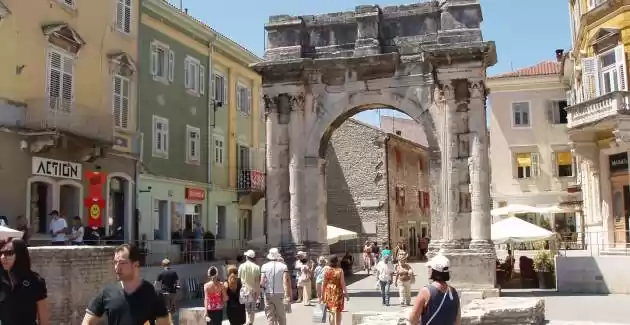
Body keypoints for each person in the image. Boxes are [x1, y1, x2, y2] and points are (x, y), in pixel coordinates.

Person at [82, 243, 171, 325]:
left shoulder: (152, 294)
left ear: (136, 265)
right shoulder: (106, 293)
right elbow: (87, 322)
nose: (117, 267)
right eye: (115, 262)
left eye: (122, 263)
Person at [0, 238, 50, 325]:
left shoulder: (36, 281)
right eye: (1, 253)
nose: (3, 257)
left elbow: (43, 320)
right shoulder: (1, 280)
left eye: (9, 253)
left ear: (20, 254)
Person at [407, 254, 461, 325]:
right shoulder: (454, 292)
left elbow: (413, 319)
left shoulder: (425, 292)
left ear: (434, 271)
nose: (428, 270)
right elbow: (457, 321)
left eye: (430, 267)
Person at [260, 248, 291, 325]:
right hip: (280, 293)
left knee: (270, 317)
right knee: (281, 316)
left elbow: (262, 282)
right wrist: (287, 295)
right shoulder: (283, 266)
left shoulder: (264, 266)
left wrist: (263, 290)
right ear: (277, 256)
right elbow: (285, 281)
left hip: (268, 293)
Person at [320, 255, 348, 325]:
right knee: (338, 311)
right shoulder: (340, 270)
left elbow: (323, 283)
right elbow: (342, 283)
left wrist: (321, 295)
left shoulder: (326, 269)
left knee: (331, 311)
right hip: (338, 292)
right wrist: (346, 293)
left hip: (328, 292)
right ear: (337, 261)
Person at [238, 249, 261, 325]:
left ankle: (248, 321)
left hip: (244, 290)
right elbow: (257, 282)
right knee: (252, 308)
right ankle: (250, 321)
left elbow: (239, 279)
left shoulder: (241, 266)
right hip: (253, 290)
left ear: (247, 257)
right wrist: (258, 293)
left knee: (246, 308)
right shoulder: (256, 267)